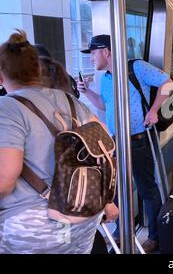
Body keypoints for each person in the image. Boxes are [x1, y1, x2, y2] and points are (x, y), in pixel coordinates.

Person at [0, 30, 118, 253]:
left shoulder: (7, 108)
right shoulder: (70, 101)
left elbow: (5, 179)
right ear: (39, 69)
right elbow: (104, 142)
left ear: (0, 76)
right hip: (82, 214)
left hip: (34, 227)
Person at [77, 34, 173, 254]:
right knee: (118, 191)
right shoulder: (106, 78)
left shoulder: (136, 67)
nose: (91, 58)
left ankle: (155, 237)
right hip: (115, 141)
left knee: (147, 189)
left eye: (92, 53)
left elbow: (168, 83)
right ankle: (122, 233)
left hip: (138, 140)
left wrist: (154, 110)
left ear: (106, 51)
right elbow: (104, 104)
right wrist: (86, 92)